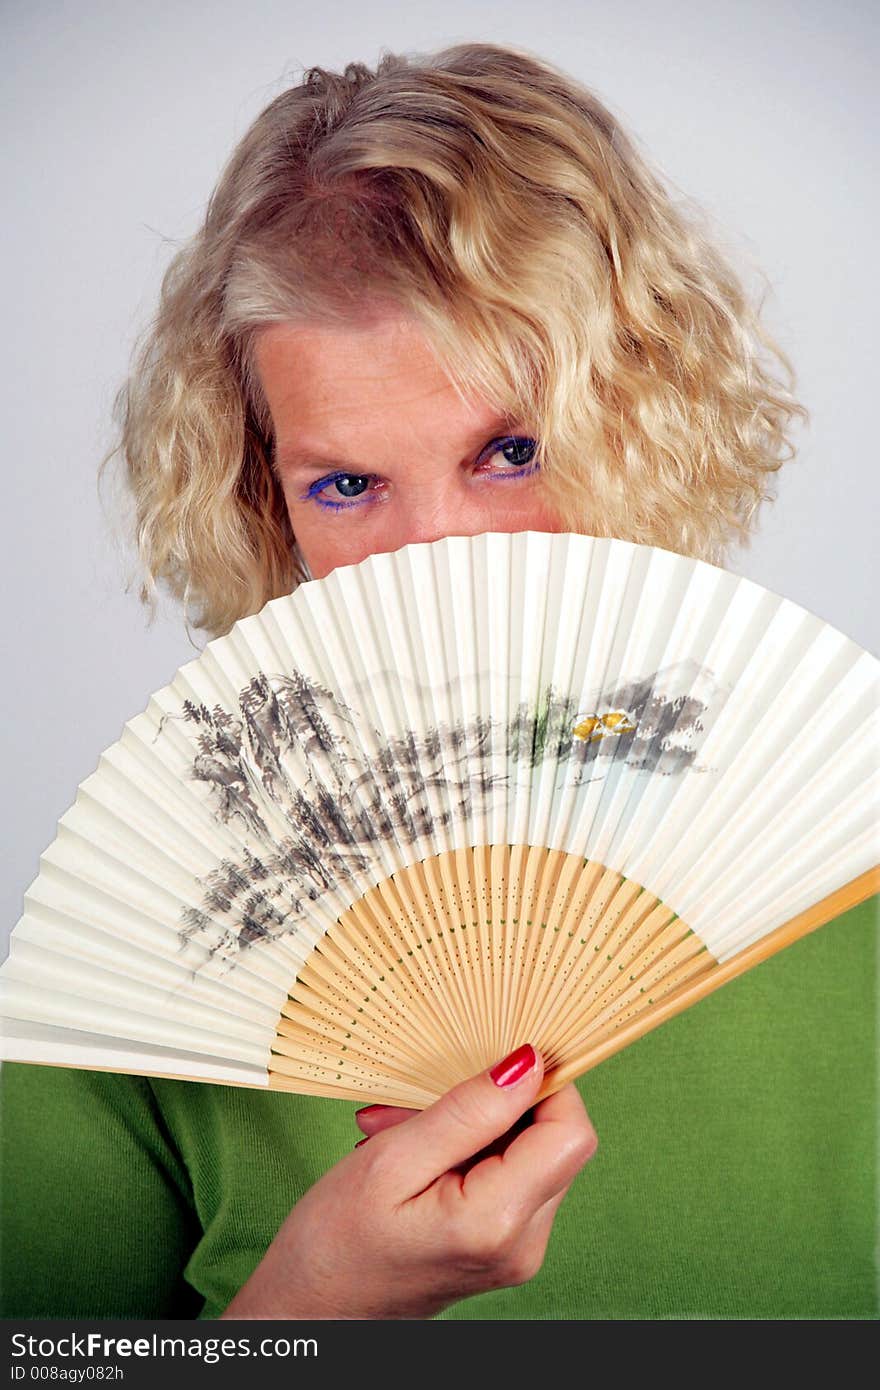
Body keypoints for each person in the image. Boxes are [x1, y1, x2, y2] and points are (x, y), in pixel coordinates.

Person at [1, 42, 875, 1322]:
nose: (437, 561)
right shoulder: (137, 940)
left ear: (644, 420)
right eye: (346, 484)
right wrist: (312, 1309)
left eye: (510, 451)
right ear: (263, 499)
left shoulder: (843, 846)